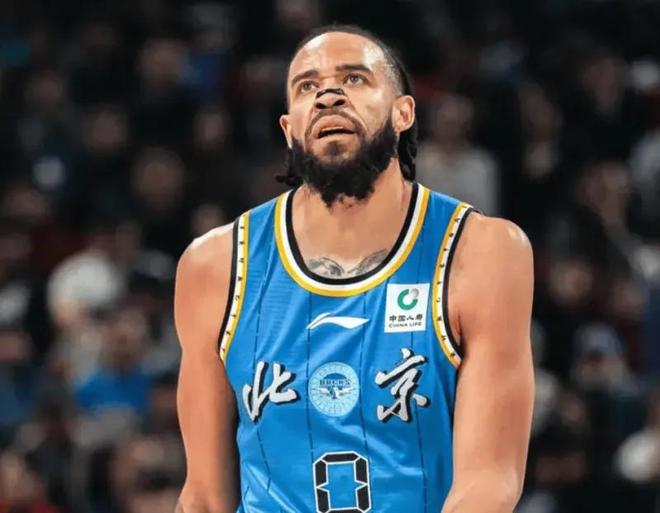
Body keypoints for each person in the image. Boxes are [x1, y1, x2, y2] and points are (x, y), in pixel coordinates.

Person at [174, 24, 534, 513]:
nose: (327, 96)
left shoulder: (482, 250)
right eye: (307, 86)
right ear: (289, 128)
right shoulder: (215, 265)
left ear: (403, 112)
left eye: (354, 79)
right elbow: (204, 496)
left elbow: (489, 480)